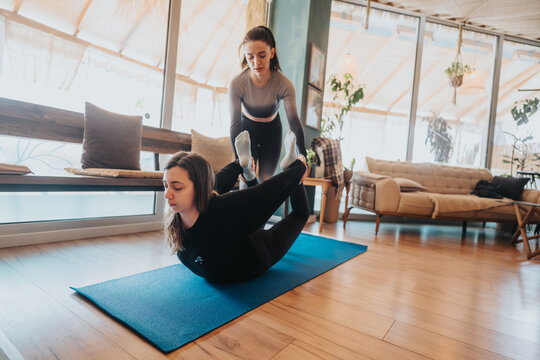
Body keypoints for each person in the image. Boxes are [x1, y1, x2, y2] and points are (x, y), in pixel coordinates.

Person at [163, 131, 309, 283]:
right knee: (239, 209)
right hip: (231, 239)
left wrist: (298, 170)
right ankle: (242, 165)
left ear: (199, 188)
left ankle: (250, 167)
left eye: (177, 187)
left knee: (300, 215)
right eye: (165, 186)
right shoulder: (175, 218)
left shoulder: (223, 209)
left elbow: (265, 193)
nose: (167, 195)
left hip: (253, 257)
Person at [229, 25, 307, 181]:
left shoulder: (284, 84)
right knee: (247, 179)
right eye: (250, 56)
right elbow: (235, 125)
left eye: (262, 55)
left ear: (272, 52)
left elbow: (293, 121)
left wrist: (302, 155)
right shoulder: (237, 84)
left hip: (272, 132)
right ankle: (246, 172)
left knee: (265, 182)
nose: (256, 62)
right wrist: (239, 158)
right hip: (246, 131)